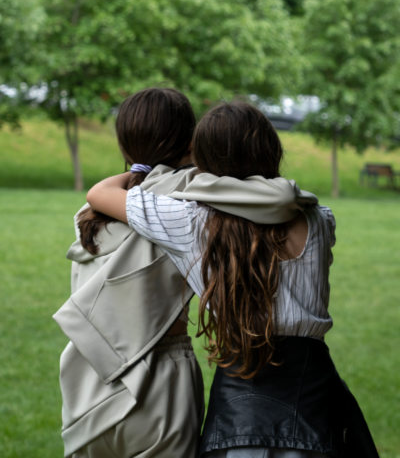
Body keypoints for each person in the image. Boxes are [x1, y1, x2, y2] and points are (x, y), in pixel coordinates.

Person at [87, 100, 380, 458]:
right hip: (314, 395)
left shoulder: (187, 222)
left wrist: (146, 172)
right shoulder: (319, 219)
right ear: (272, 150)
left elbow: (100, 194)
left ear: (204, 161)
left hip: (237, 406)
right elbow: (270, 202)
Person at [54, 87, 204, 458]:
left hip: (85, 383)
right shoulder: (188, 206)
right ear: (189, 142)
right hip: (161, 380)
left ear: (124, 146)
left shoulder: (88, 216)